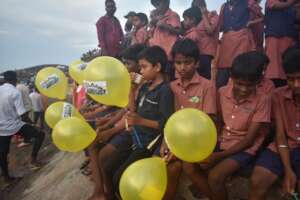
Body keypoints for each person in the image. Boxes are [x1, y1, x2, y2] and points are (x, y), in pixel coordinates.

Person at [183, 52, 271, 199]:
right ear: (231, 77)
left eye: (249, 85)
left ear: (258, 82)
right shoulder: (222, 92)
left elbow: (249, 140)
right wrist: (209, 145)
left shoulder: (263, 100)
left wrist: (218, 156)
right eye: (239, 83)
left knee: (215, 177)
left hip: (244, 147)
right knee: (188, 165)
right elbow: (218, 123)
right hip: (222, 140)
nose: (243, 89)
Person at [157, 39, 217, 200]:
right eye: (178, 63)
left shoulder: (207, 86)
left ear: (197, 63)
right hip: (178, 138)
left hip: (200, 139)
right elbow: (171, 121)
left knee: (188, 167)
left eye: (187, 62)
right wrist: (166, 142)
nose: (182, 67)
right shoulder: (172, 86)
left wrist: (178, 152)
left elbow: (209, 121)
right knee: (166, 164)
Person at [249, 47, 300, 200]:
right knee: (257, 180)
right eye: (291, 79)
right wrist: (288, 169)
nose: (296, 84)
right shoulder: (278, 95)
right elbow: (280, 136)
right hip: (282, 146)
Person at [0, 71, 45, 186]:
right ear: (15, 80)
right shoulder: (14, 92)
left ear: (5, 80)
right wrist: (33, 124)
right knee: (40, 135)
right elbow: (23, 115)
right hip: (14, 124)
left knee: (3, 153)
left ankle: (6, 177)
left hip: (1, 128)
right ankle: (33, 161)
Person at [216, 0, 256, 88]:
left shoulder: (248, 3)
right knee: (222, 78)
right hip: (227, 41)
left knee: (240, 70)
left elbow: (264, 17)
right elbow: (220, 25)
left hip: (241, 40)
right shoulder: (224, 6)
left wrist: (250, 23)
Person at [264, 0, 299, 87]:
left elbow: (297, 18)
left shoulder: (293, 7)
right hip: (274, 39)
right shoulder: (271, 1)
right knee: (273, 69)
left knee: (290, 68)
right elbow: (280, 6)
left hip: (290, 39)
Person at [192, 0, 219, 80]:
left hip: (206, 52)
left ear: (203, 5)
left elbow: (210, 30)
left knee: (203, 77)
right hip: (195, 52)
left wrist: (204, 14)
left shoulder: (213, 15)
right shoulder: (196, 18)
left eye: (198, 6)